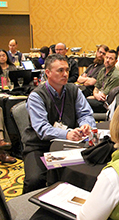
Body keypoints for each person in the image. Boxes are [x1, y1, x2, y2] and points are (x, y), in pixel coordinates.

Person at [21, 54, 96, 193]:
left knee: (83, 174)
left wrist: (86, 125)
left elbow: (85, 114)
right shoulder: (36, 96)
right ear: (48, 73)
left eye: (67, 70)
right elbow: (42, 129)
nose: (65, 74)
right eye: (60, 70)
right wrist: (67, 134)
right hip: (39, 145)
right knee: (35, 180)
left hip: (68, 144)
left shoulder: (74, 90)